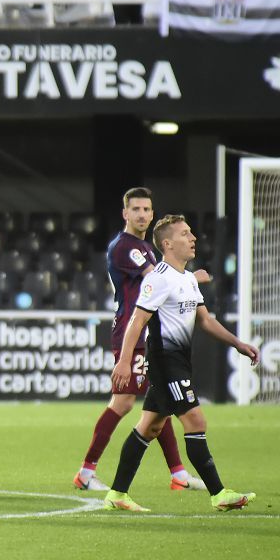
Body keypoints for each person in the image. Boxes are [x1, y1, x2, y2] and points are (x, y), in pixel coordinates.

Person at [103, 215, 259, 512]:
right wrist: (124, 361)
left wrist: (238, 344)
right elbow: (137, 321)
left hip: (179, 361)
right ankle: (219, 494)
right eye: (185, 234)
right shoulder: (158, 278)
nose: (193, 238)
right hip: (164, 362)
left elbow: (205, 320)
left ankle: (117, 494)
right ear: (167, 243)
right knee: (196, 421)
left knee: (149, 427)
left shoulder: (186, 278)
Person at [73, 187, 206, 493]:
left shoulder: (145, 248)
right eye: (136, 209)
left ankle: (179, 474)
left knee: (159, 402)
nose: (143, 215)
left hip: (150, 334)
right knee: (122, 402)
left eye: (147, 209)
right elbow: (155, 280)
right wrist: (194, 277)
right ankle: (86, 471)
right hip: (133, 332)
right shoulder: (125, 247)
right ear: (125, 213)